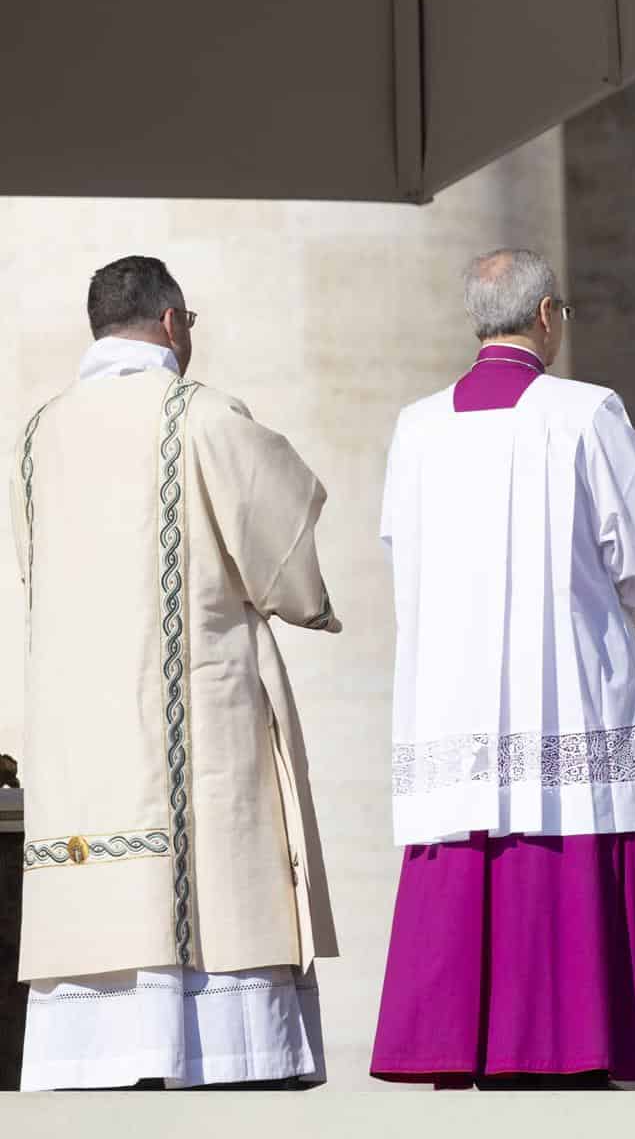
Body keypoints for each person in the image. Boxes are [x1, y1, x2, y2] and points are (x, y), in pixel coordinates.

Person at [9, 256, 338, 1090]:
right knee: (201, 977)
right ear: (171, 323)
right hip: (190, 727)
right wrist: (311, 602)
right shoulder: (201, 414)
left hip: (82, 750)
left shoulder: (40, 433)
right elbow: (284, 543)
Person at [372, 249, 635, 1088]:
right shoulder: (585, 414)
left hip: (452, 709)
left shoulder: (416, 426)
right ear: (547, 315)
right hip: (569, 702)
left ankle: (466, 1050)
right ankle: (570, 1047)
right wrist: (612, 613)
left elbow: (400, 554)